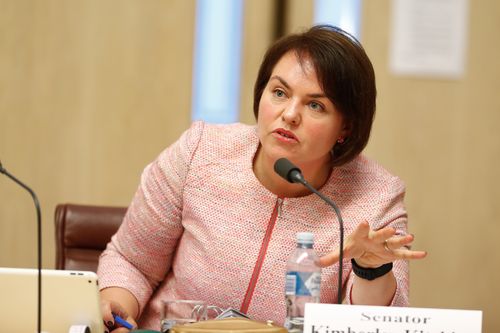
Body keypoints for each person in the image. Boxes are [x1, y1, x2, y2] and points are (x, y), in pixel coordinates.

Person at [97, 25, 427, 332]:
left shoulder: (376, 197)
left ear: (346, 128)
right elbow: (131, 261)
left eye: (315, 105)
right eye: (280, 93)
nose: (290, 114)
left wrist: (372, 270)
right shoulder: (201, 151)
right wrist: (117, 307)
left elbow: (377, 324)